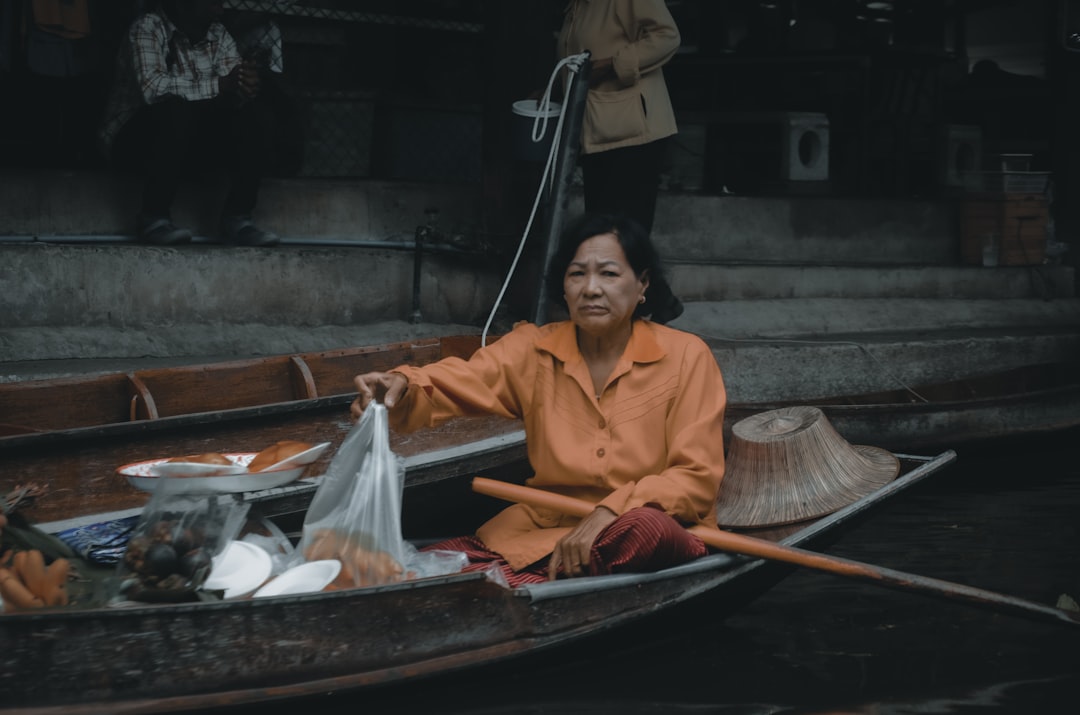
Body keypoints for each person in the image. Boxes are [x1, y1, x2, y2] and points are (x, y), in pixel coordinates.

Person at [351, 213, 727, 588]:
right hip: (545, 528)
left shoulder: (686, 356)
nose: (591, 289)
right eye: (577, 274)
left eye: (609, 274)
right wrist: (402, 386)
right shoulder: (534, 349)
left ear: (642, 283)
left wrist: (611, 511)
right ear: (563, 286)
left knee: (646, 527)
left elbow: (695, 478)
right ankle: (538, 571)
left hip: (640, 525)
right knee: (415, 571)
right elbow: (461, 379)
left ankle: (524, 575)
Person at [98, 0, 280, 246]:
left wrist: (244, 86)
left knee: (255, 114)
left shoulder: (218, 33)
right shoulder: (148, 27)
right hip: (132, 142)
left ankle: (238, 219)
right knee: (175, 109)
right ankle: (153, 218)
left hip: (185, 144)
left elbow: (230, 89)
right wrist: (221, 85)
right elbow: (153, 89)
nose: (221, 6)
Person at [557, 0, 685, 323]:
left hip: (635, 129)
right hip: (599, 130)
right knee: (605, 229)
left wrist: (615, 64)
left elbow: (667, 36)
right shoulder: (578, 7)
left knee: (625, 230)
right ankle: (656, 300)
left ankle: (643, 305)